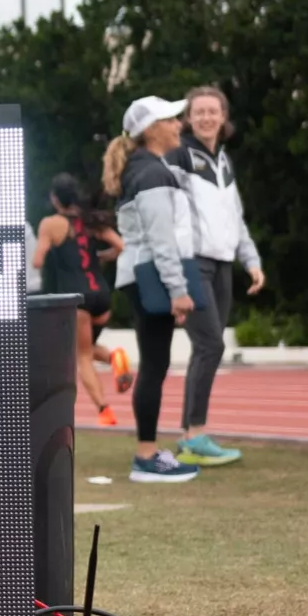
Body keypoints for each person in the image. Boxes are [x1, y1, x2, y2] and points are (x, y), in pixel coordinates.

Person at [105, 96, 204, 482]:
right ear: (150, 130)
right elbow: (161, 239)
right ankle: (146, 457)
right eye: (171, 119)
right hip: (150, 274)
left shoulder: (143, 169)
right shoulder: (150, 173)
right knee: (154, 365)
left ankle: (147, 452)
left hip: (142, 272)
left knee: (154, 364)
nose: (179, 124)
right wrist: (178, 289)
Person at [166, 87, 262, 466]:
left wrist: (250, 260)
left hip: (222, 265)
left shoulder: (224, 160)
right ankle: (195, 434)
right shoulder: (179, 155)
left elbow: (235, 217)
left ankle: (190, 436)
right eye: (199, 112)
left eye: (213, 111)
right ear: (188, 118)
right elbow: (166, 210)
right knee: (211, 346)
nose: (206, 117)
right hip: (191, 263)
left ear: (224, 117)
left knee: (206, 348)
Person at [33, 173, 131, 426]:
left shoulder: (50, 224)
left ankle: (104, 410)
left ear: (55, 199)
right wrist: (103, 257)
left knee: (82, 357)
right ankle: (114, 357)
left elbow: (37, 260)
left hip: (77, 299)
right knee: (85, 347)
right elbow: (121, 246)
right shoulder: (90, 221)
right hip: (102, 295)